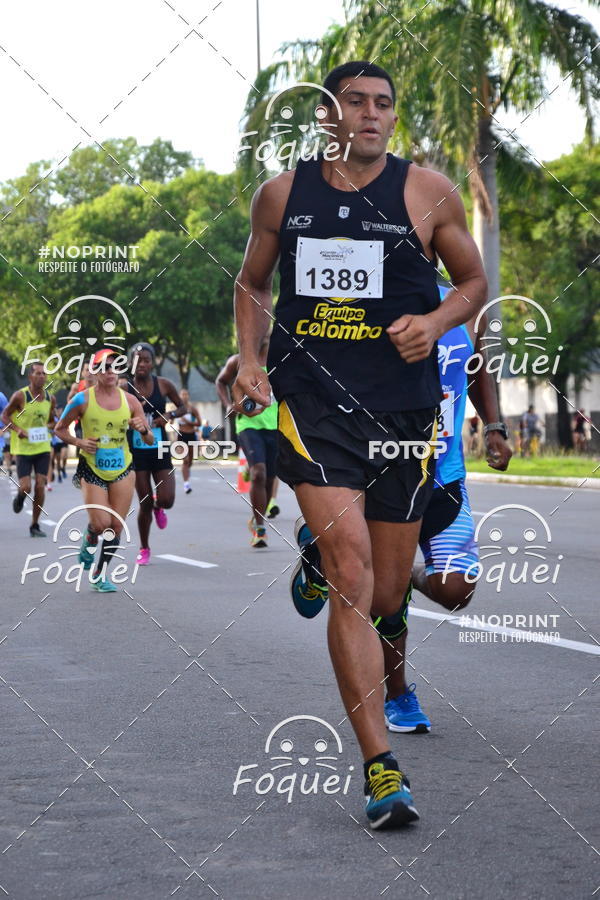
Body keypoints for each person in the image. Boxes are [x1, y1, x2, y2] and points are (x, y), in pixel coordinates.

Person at [232, 61, 487, 828]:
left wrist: (436, 323)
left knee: (384, 593)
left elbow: (473, 281)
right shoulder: (284, 195)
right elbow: (252, 284)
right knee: (353, 577)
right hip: (313, 408)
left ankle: (315, 552)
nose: (371, 114)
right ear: (327, 114)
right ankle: (380, 768)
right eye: (355, 102)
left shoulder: (427, 192)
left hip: (404, 415)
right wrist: (249, 360)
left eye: (383, 103)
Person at [55, 348, 154, 591]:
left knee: (116, 526)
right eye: (104, 367)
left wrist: (143, 430)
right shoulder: (82, 400)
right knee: (100, 524)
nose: (109, 371)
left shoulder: (130, 401)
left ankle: (99, 574)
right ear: (95, 372)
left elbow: (150, 440)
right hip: (92, 469)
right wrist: (79, 442)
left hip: (122, 468)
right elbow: (59, 429)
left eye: (114, 366)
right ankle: (89, 539)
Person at [127, 343, 185, 565]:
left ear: (153, 362)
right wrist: (130, 422)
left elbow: (183, 408)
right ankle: (144, 548)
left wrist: (168, 415)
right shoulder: (125, 388)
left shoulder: (164, 384)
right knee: (144, 504)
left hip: (160, 448)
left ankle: (159, 506)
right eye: (137, 360)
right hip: (136, 452)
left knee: (167, 499)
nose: (142, 364)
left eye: (146, 360)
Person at [217, 339, 278, 548]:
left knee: (270, 479)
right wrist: (228, 405)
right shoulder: (238, 361)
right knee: (258, 473)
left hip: (276, 425)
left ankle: (257, 518)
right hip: (248, 424)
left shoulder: (280, 358)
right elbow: (221, 381)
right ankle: (260, 529)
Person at [2, 363, 56, 537]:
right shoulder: (20, 395)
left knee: (40, 486)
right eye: (38, 373)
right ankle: (20, 497)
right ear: (30, 377)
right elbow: (4, 415)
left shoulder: (50, 398)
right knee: (26, 487)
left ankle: (34, 524)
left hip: (42, 448)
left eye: (44, 374)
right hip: (23, 449)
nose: (42, 376)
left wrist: (49, 426)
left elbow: (51, 420)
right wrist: (18, 430)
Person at [176, 389, 201, 494]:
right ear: (179, 396)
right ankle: (186, 484)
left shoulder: (192, 409)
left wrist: (188, 422)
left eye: (186, 394)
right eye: (182, 395)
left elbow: (199, 423)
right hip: (181, 435)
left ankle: (187, 471)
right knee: (185, 460)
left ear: (188, 396)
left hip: (191, 435)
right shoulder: (177, 409)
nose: (184, 396)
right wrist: (171, 419)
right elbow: (170, 419)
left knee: (190, 461)